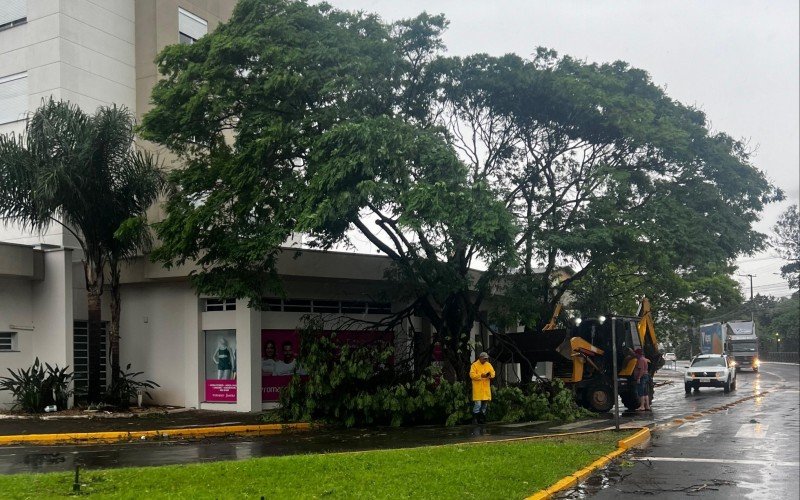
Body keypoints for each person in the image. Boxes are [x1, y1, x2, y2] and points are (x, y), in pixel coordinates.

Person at [469, 351, 495, 424]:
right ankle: (474, 419)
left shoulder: (488, 365)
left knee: (485, 404)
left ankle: (482, 419)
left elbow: (493, 373)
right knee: (478, 404)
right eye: (484, 359)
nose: (485, 360)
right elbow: (472, 375)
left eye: (486, 359)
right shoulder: (474, 365)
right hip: (478, 388)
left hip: (486, 388)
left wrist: (490, 375)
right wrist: (481, 375)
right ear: (480, 358)